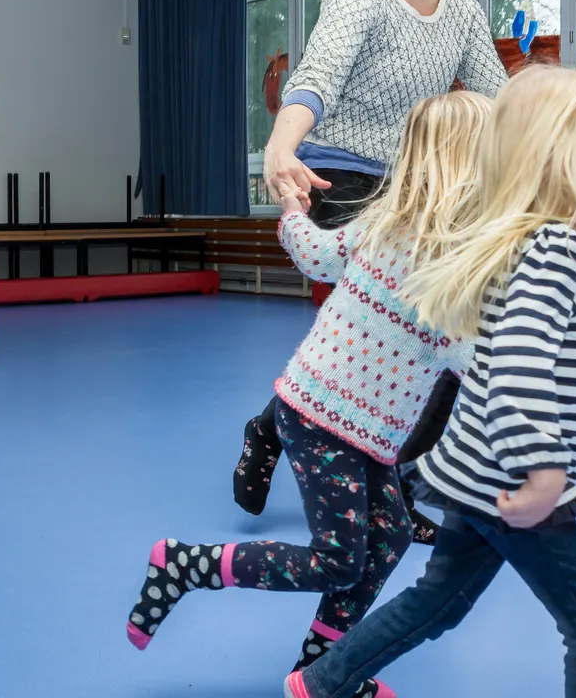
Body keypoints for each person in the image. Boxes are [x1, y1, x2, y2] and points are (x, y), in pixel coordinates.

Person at [283, 66, 576, 698]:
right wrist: (544, 468)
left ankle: (321, 683)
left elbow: (516, 353)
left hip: (478, 470)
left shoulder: (536, 242)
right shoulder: (556, 248)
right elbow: (520, 368)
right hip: (511, 479)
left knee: (440, 601)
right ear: (562, 161)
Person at [126, 94, 489, 698]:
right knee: (340, 558)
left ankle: (323, 673)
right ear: (466, 166)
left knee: (391, 535)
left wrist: (294, 209)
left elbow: (315, 255)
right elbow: (468, 354)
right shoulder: (429, 248)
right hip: (323, 416)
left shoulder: (402, 229)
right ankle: (185, 564)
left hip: (364, 430)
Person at [237, 0, 509, 538]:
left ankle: (384, 474)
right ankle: (298, 440)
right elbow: (318, 75)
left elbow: (498, 99)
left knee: (427, 338)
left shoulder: (463, 9)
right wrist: (280, 144)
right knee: (387, 334)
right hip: (341, 176)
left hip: (417, 188)